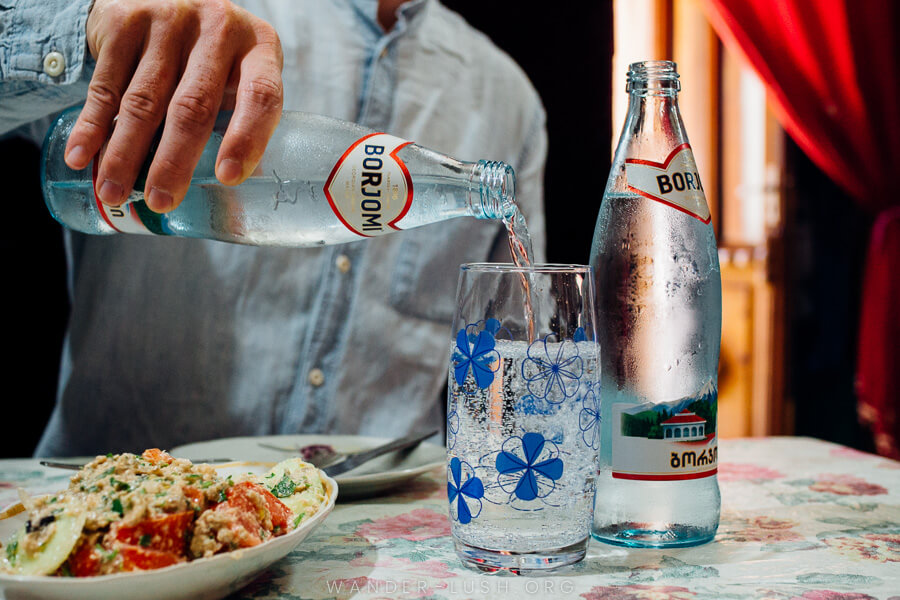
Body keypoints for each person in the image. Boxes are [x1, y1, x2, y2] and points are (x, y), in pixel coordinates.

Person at [0, 0, 547, 457]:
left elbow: (516, 356)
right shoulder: (188, 10)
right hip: (116, 518)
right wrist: (85, 23)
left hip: (373, 539)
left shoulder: (509, 98)